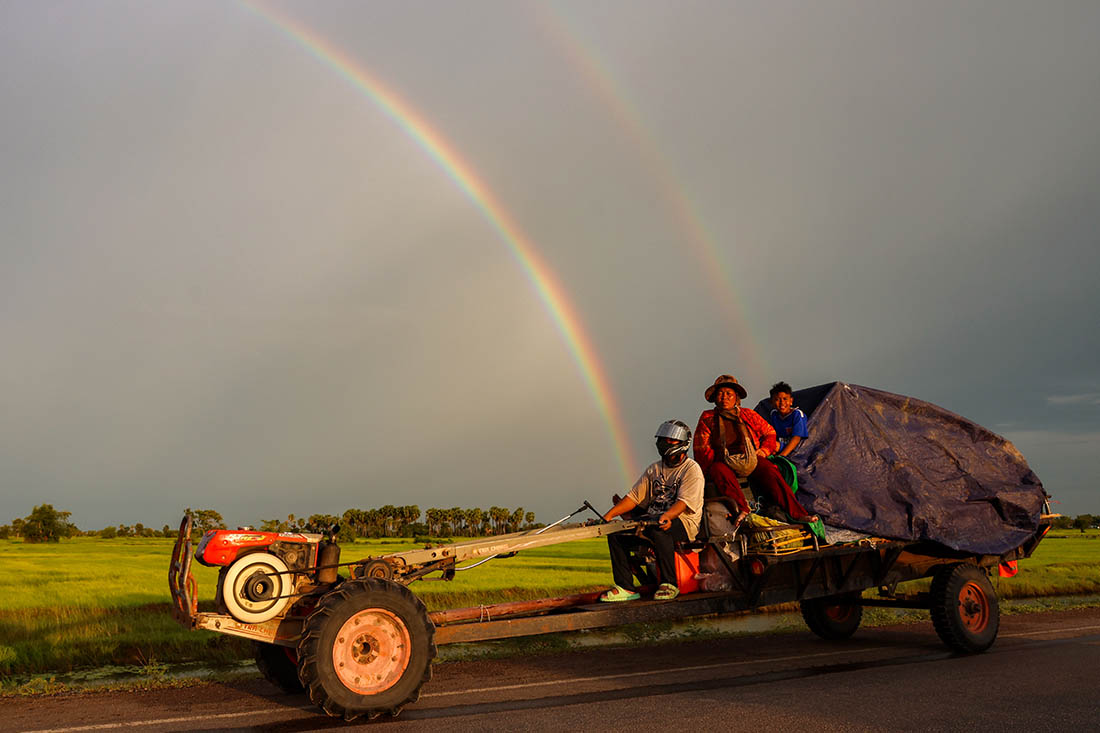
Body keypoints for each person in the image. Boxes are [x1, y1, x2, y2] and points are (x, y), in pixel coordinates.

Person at [600, 420, 704, 602]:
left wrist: (666, 516)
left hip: (683, 523)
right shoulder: (654, 468)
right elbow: (634, 497)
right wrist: (608, 516)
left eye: (670, 441)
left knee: (659, 530)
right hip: (651, 519)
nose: (665, 444)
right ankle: (626, 587)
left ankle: (669, 584)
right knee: (616, 535)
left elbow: (683, 503)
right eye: (662, 440)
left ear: (682, 444)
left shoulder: (691, 469)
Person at [693, 374, 817, 525]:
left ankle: (798, 514)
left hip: (751, 458)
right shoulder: (707, 418)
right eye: (720, 394)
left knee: (771, 470)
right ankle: (742, 509)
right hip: (724, 462)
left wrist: (764, 451)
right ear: (715, 398)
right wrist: (715, 465)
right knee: (718, 471)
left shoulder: (748, 415)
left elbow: (769, 433)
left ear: (736, 398)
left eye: (729, 394)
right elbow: (702, 448)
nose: (724, 397)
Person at [767, 381, 809, 457]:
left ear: (791, 401)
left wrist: (782, 456)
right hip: (781, 445)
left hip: (796, 448)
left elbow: (796, 438)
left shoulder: (797, 414)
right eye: (777, 400)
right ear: (772, 402)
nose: (782, 402)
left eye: (785, 399)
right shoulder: (774, 415)